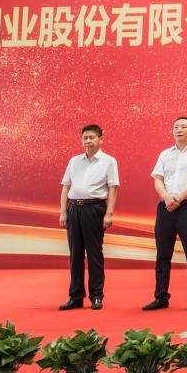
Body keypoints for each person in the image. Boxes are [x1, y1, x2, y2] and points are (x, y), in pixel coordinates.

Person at [143, 116, 187, 312]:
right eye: (176, 127)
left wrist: (179, 199)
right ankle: (161, 297)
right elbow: (157, 179)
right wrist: (166, 197)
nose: (179, 130)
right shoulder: (165, 154)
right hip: (165, 206)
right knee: (162, 254)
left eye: (183, 126)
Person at [58, 123, 120, 311]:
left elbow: (113, 188)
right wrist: (63, 211)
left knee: (94, 254)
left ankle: (96, 296)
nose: (88, 141)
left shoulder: (109, 161)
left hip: (94, 209)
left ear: (101, 139)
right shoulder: (74, 161)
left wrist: (109, 213)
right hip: (73, 209)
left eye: (91, 137)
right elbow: (66, 186)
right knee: (75, 255)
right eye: (85, 138)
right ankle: (75, 297)